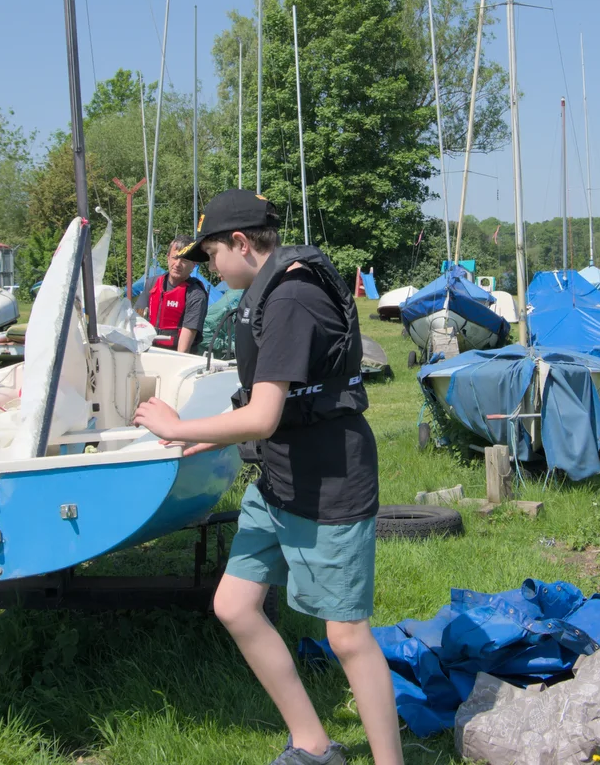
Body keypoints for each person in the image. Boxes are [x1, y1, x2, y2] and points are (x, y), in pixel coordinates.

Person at [133, 190, 402, 765]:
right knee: (234, 605)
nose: (212, 270)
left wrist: (177, 428)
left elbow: (262, 414)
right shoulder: (270, 291)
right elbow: (265, 409)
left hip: (330, 482)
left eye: (212, 256)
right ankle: (312, 742)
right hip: (279, 478)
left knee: (347, 636)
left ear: (239, 243)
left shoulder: (291, 300)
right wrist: (200, 437)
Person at [144, 236, 208, 354]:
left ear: (194, 264)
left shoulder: (196, 294)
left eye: (185, 260)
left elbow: (183, 349)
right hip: (149, 350)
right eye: (175, 258)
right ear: (168, 257)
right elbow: (137, 320)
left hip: (176, 355)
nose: (178, 264)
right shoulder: (151, 284)